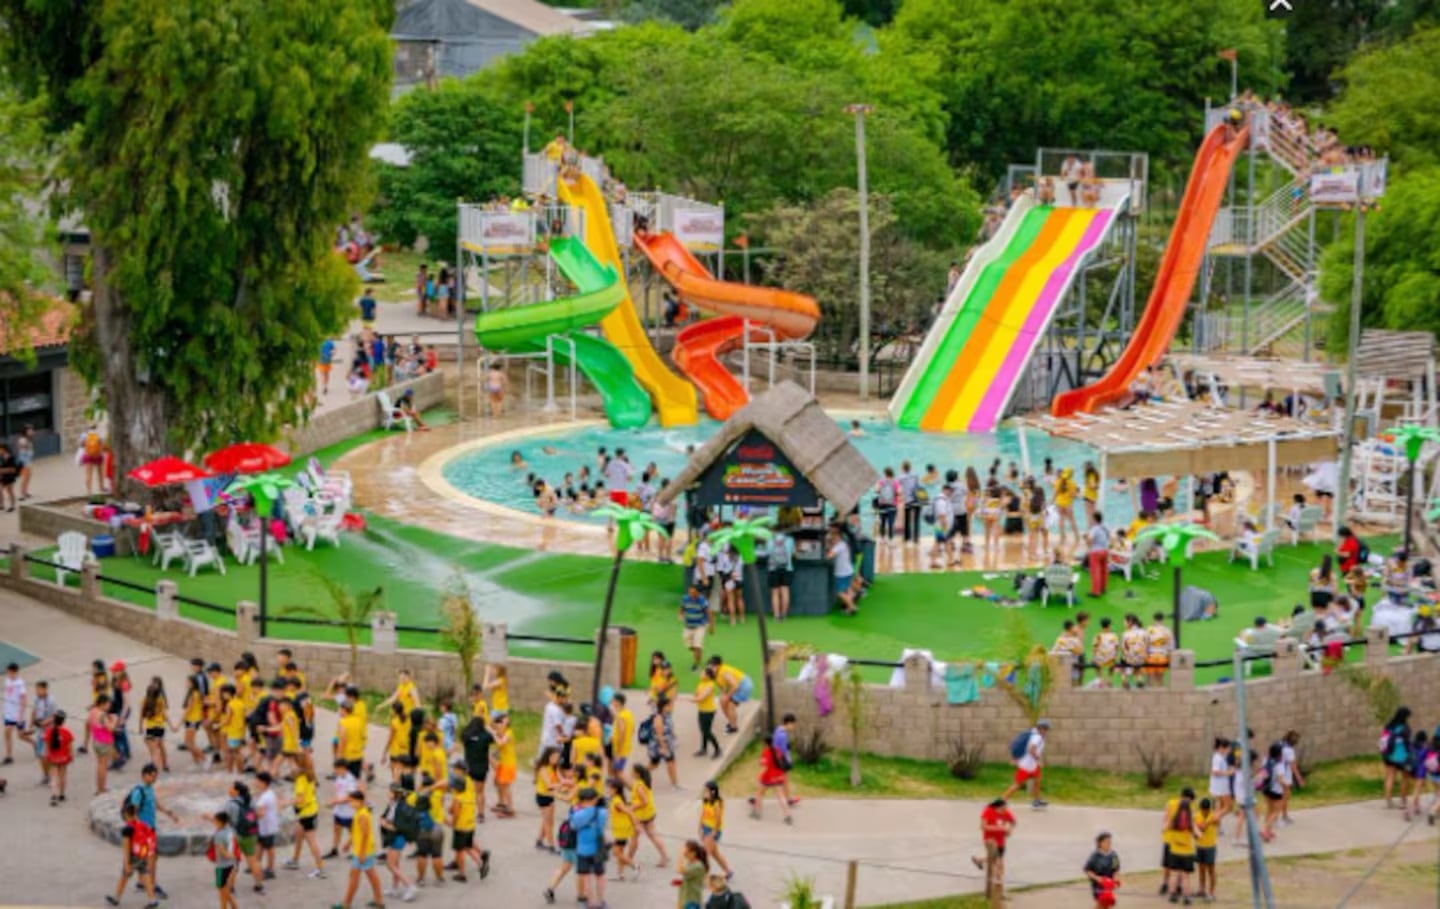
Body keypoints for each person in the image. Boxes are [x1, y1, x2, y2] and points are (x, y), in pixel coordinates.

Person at [336, 789, 386, 909]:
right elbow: (355, 831)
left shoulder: (362, 815)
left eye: (352, 801)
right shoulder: (359, 812)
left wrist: (362, 852)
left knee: (355, 878)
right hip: (363, 850)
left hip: (362, 851)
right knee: (371, 876)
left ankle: (346, 903)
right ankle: (379, 901)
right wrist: (348, 843)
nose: (350, 804)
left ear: (360, 801)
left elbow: (365, 834)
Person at [571, 786, 609, 908]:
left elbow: (573, 827)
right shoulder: (603, 812)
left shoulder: (578, 815)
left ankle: (590, 903)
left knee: (586, 877)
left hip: (583, 849)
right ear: (594, 799)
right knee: (599, 876)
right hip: (598, 849)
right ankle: (601, 901)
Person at [970, 796, 1015, 899]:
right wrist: (1000, 828)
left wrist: (1010, 830)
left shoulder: (1006, 812)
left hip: (1001, 843)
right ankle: (1000, 892)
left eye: (1006, 807)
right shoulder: (988, 811)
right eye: (1003, 807)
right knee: (998, 866)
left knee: (996, 862)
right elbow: (983, 826)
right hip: (990, 841)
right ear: (997, 806)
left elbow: (1013, 821)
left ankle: (979, 860)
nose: (1005, 809)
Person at [1001, 719, 1050, 809]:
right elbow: (1031, 749)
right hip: (1027, 765)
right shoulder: (1037, 737)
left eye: (1047, 729)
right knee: (1018, 784)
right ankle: (1001, 801)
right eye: (1046, 729)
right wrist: (1038, 759)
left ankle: (1036, 801)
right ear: (1041, 728)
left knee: (1037, 780)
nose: (1047, 731)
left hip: (1032, 765)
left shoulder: (1033, 734)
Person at [1160, 786, 1197, 903]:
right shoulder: (1189, 809)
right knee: (1182, 871)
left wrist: (1165, 829)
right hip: (1183, 845)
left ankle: (1166, 885)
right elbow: (1193, 827)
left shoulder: (1170, 803)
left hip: (1169, 839)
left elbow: (1165, 820)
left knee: (1169, 866)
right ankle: (1180, 888)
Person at [749, 732, 793, 824]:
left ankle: (757, 813)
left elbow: (765, 767)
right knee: (781, 797)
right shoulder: (778, 750)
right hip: (779, 777)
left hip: (768, 778)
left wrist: (759, 777)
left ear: (765, 743)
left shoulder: (765, 752)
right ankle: (788, 815)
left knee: (759, 794)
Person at [710, 657, 752, 735]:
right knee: (723, 702)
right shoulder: (715, 674)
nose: (712, 667)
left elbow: (735, 686)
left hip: (744, 686)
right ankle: (731, 721)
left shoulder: (724, 672)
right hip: (738, 686)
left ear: (719, 665)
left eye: (714, 665)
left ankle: (734, 727)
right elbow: (722, 688)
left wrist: (727, 696)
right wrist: (724, 696)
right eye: (711, 665)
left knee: (730, 706)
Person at [698, 780, 732, 878]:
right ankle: (728, 871)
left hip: (713, 830)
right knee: (715, 854)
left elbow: (718, 820)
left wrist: (713, 833)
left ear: (712, 792)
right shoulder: (706, 801)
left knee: (705, 854)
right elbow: (703, 814)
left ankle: (705, 876)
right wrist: (699, 828)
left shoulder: (717, 803)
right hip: (705, 828)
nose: (704, 792)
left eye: (706, 791)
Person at [209, 810, 240, 909]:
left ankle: (233, 906)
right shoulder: (230, 830)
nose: (213, 822)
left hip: (222, 866)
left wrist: (229, 855)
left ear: (220, 822)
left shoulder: (219, 835)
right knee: (225, 888)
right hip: (231, 865)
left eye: (215, 821)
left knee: (222, 889)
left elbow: (222, 851)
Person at [1084, 831, 1121, 909]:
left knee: (1106, 904)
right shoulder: (1095, 856)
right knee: (1102, 904)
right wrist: (1099, 879)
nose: (1109, 843)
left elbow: (1116, 869)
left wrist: (1116, 879)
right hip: (1098, 885)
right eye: (1107, 842)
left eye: (1110, 842)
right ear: (1101, 843)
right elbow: (1087, 870)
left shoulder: (1113, 855)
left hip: (1109, 885)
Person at [827, 526, 857, 615]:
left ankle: (852, 607)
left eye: (832, 536)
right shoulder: (843, 544)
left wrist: (828, 551)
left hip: (842, 573)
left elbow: (829, 556)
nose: (831, 538)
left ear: (838, 536)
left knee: (839, 592)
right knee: (848, 590)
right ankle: (849, 607)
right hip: (848, 570)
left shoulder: (839, 546)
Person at [679, 585, 709, 672]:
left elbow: (708, 612)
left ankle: (696, 664)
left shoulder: (702, 600)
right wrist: (680, 615)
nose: (691, 594)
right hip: (688, 626)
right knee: (689, 645)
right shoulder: (685, 599)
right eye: (690, 592)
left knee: (697, 646)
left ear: (698, 593)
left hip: (700, 626)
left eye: (693, 592)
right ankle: (698, 651)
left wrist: (710, 625)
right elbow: (681, 608)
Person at [3, 661, 27, 764]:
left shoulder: (20, 684)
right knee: (7, 733)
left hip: (17, 714)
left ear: (14, 672)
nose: (8, 673)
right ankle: (9, 756)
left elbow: (24, 699)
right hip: (9, 713)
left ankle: (35, 744)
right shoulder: (7, 680)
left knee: (21, 736)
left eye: (9, 672)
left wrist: (21, 715)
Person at [677, 839, 709, 909]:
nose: (685, 854)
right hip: (686, 897)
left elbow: (680, 870)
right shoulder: (691, 863)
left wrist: (680, 856)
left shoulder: (697, 866)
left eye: (686, 852)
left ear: (693, 853)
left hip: (692, 900)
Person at [1087, 511, 1110, 597]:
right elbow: (1108, 536)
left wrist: (1087, 541)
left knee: (1095, 571)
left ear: (1094, 519)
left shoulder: (1094, 528)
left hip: (1096, 552)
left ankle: (1096, 591)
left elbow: (1090, 540)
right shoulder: (1105, 527)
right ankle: (1103, 587)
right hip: (1105, 550)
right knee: (1104, 570)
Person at [80, 424, 106, 494]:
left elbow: (82, 444)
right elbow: (103, 444)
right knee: (100, 473)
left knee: (88, 474)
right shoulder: (100, 432)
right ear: (96, 426)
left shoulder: (84, 434)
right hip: (98, 455)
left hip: (88, 455)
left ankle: (89, 491)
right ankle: (101, 487)